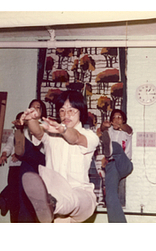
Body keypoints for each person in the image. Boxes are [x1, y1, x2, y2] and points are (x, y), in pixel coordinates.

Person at [19, 90, 99, 223]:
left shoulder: (90, 136)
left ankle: (52, 203)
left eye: (71, 110)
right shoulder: (51, 135)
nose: (66, 115)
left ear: (81, 111)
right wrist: (31, 120)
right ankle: (51, 203)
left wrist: (63, 130)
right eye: (62, 111)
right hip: (55, 198)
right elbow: (38, 131)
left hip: (81, 197)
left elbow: (76, 138)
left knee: (73, 198)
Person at [15, 99, 47, 222]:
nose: (34, 109)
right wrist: (19, 129)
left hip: (42, 166)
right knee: (24, 199)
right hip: (27, 166)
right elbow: (19, 151)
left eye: (38, 107)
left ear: (42, 111)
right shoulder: (23, 126)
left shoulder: (46, 126)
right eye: (32, 107)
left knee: (41, 203)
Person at [101, 109, 133, 223]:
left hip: (125, 164)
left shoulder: (126, 132)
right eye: (114, 117)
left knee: (115, 146)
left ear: (123, 120)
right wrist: (104, 126)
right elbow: (102, 129)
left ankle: (110, 149)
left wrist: (121, 125)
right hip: (112, 165)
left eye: (119, 117)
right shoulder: (109, 131)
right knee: (110, 196)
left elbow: (129, 129)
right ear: (111, 120)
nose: (116, 119)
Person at [0, 112, 23, 222]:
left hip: (25, 167)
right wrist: (3, 155)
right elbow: (8, 146)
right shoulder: (13, 135)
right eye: (17, 120)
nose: (18, 123)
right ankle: (4, 199)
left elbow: (31, 150)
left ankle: (3, 197)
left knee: (19, 193)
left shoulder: (30, 135)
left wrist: (20, 155)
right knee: (14, 191)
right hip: (14, 167)